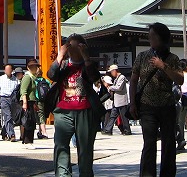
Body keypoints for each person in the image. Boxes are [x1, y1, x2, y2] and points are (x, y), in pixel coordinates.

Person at [130, 23, 184, 177]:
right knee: (149, 143)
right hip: (147, 105)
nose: (150, 39)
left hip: (167, 104)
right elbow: (134, 79)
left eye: (152, 36)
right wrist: (133, 102)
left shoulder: (173, 58)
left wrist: (163, 66)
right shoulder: (142, 56)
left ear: (161, 38)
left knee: (168, 143)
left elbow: (180, 80)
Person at [50, 33, 102, 177]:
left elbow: (94, 78)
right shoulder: (64, 65)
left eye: (77, 46)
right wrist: (60, 56)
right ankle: (63, 174)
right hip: (63, 111)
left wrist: (86, 58)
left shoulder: (88, 64)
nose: (74, 50)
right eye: (71, 46)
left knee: (85, 148)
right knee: (60, 145)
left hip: (84, 110)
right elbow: (51, 74)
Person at [102, 64, 131, 136]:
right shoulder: (116, 78)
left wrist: (110, 87)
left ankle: (127, 130)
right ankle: (108, 130)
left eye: (111, 72)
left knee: (124, 117)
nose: (111, 73)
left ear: (115, 71)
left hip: (122, 101)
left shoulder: (122, 77)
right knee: (112, 116)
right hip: (116, 101)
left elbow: (119, 88)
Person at [19, 61, 40, 149]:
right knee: (28, 122)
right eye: (32, 67)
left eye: (35, 66)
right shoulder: (27, 77)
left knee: (31, 122)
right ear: (28, 68)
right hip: (27, 102)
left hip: (31, 101)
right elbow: (23, 90)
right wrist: (25, 103)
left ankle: (27, 141)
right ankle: (27, 141)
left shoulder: (33, 78)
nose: (34, 68)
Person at [0, 64, 19, 142]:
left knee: (11, 118)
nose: (8, 71)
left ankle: (3, 132)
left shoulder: (16, 80)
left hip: (12, 99)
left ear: (12, 70)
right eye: (6, 69)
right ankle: (12, 135)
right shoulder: (0, 79)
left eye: (9, 69)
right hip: (4, 98)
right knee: (8, 116)